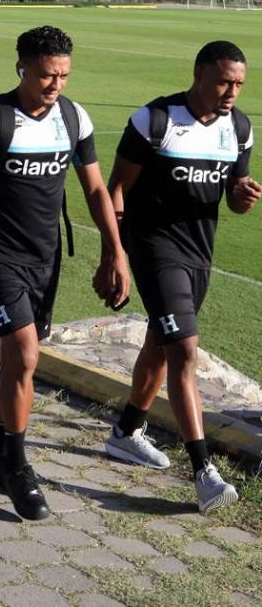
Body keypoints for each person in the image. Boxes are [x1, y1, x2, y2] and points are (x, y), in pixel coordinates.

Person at [0, 25, 129, 520]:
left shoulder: (73, 116)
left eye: (63, 74)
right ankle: (20, 468)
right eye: (46, 74)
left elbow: (94, 190)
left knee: (22, 360)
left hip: (47, 259)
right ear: (21, 66)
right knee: (22, 354)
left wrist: (115, 251)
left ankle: (0, 457)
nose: (55, 84)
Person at [104, 41, 258, 513]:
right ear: (198, 74)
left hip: (199, 255)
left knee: (163, 342)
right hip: (153, 250)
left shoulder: (239, 129)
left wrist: (241, 195)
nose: (231, 91)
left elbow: (231, 196)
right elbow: (116, 190)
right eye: (223, 81)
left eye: (238, 84)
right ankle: (203, 472)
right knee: (185, 350)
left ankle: (127, 431)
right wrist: (114, 255)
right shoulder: (155, 121)